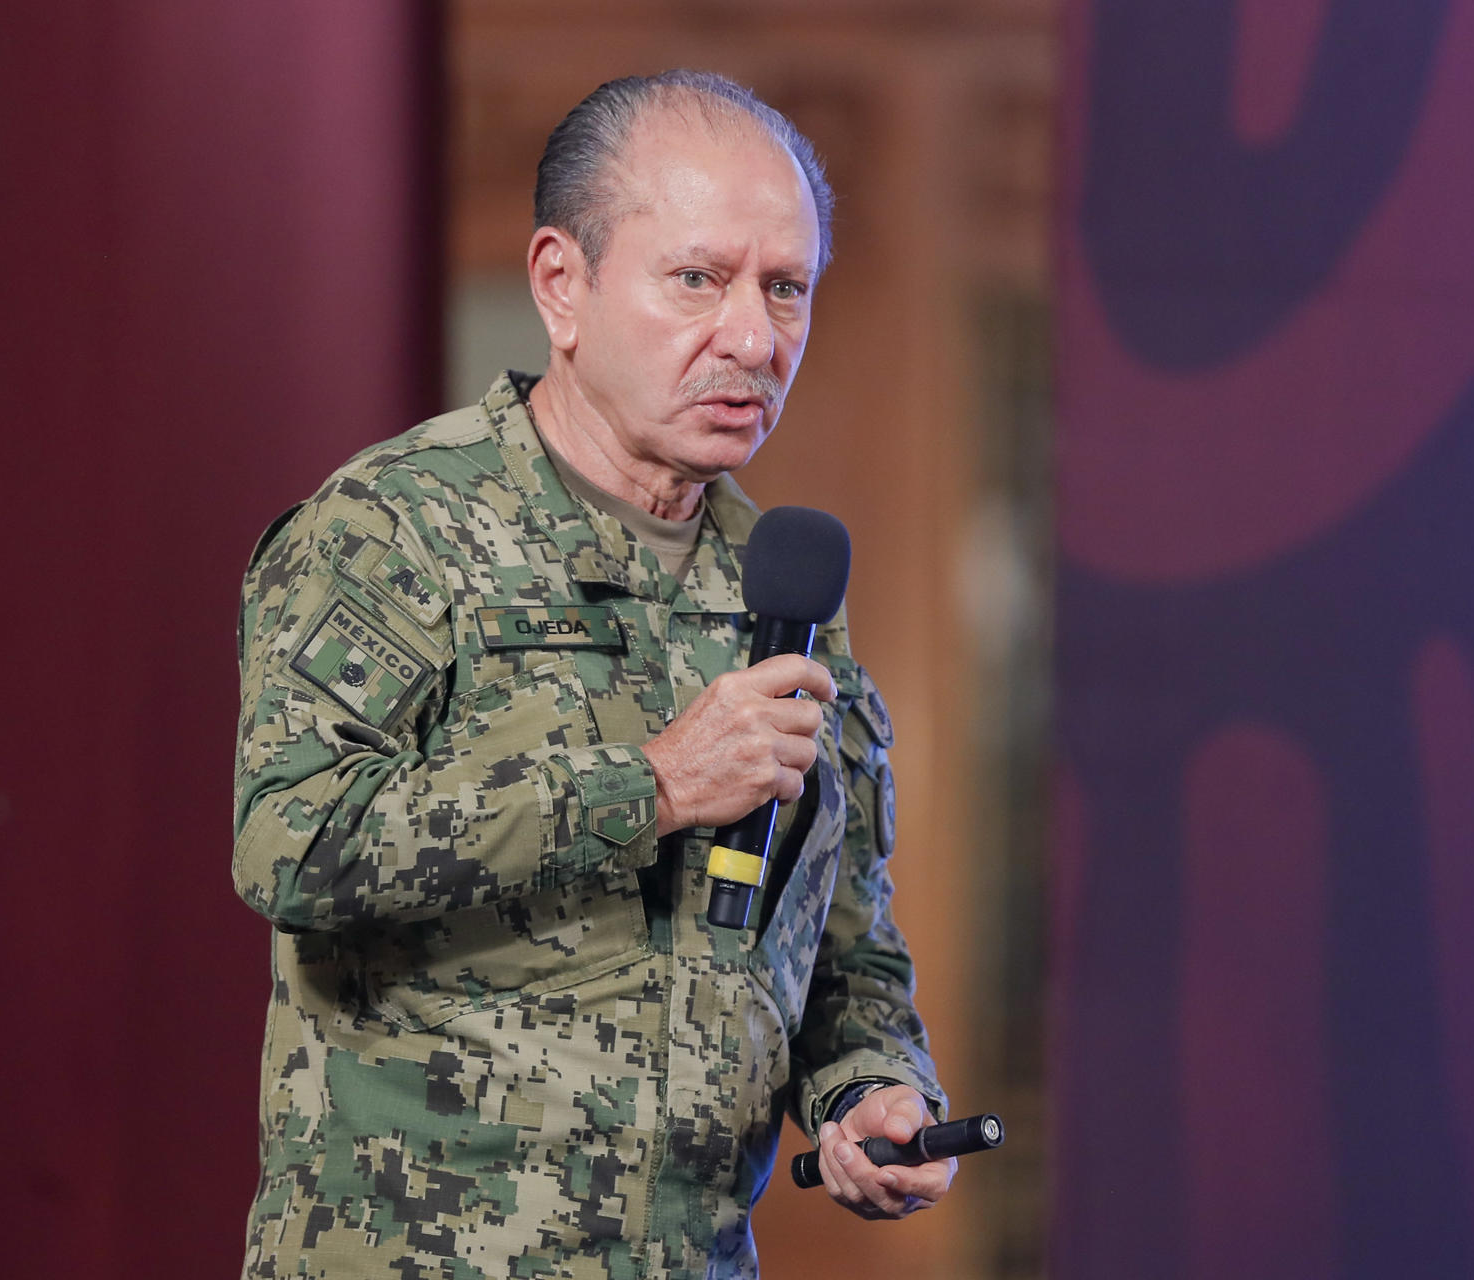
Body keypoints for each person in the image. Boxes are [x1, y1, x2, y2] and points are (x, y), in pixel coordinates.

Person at [231, 70, 952, 1278]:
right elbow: (293, 842)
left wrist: (869, 1087)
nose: (753, 335)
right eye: (697, 279)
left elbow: (838, 943)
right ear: (562, 284)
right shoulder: (395, 528)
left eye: (786, 288)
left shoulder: (780, 588)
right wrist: (652, 785)